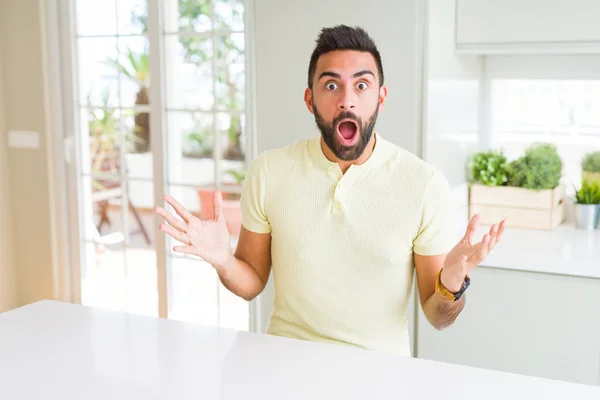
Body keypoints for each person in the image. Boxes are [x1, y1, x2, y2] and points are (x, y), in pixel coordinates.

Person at [155, 25, 505, 356]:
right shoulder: (269, 171)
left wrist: (452, 285)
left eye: (362, 86)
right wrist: (223, 261)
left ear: (381, 98)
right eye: (332, 86)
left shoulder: (425, 185)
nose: (347, 101)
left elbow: (437, 315)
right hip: (284, 364)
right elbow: (252, 282)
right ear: (310, 99)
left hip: (379, 375)